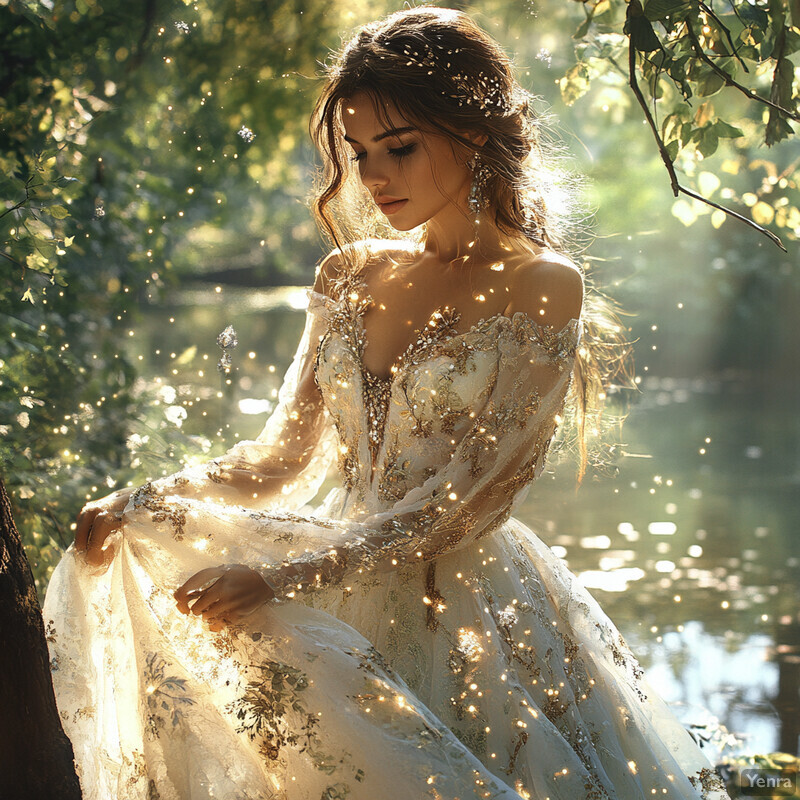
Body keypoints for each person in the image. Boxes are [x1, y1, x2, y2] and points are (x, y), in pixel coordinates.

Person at [43, 7, 732, 800]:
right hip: (330, 572)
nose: (373, 178)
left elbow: (464, 506)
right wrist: (143, 501)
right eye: (360, 153)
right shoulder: (350, 274)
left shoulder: (542, 287)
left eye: (399, 148)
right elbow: (279, 460)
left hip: (458, 605)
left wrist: (289, 576)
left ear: (473, 132)